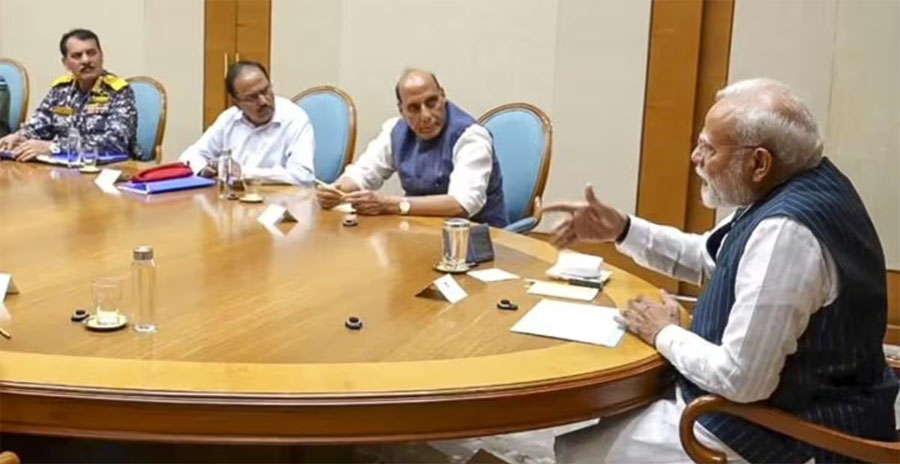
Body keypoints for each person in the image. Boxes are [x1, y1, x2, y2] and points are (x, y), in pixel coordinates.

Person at [547, 78, 898, 463]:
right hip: (774, 404)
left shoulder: (786, 234)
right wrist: (622, 230)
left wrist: (663, 332)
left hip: (793, 433)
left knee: (577, 453)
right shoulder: (797, 184)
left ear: (759, 163)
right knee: (610, 418)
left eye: (708, 148)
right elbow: (710, 256)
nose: (695, 157)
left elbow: (740, 380)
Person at [316, 69, 508, 227]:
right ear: (402, 110)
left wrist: (390, 204)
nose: (425, 115)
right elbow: (363, 173)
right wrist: (336, 190)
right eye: (414, 108)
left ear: (443, 95)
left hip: (478, 240)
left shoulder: (470, 136)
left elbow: (462, 204)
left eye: (431, 102)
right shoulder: (396, 131)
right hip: (421, 231)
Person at [0, 29, 139, 160]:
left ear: (101, 56)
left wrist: (54, 147)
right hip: (64, 167)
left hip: (111, 168)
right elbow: (39, 125)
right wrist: (18, 137)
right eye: (77, 56)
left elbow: (116, 142)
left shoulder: (119, 92)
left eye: (91, 53)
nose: (86, 60)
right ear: (66, 63)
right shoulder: (61, 90)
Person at [179, 61, 314, 185]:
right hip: (232, 199)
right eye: (252, 97)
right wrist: (204, 169)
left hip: (279, 200)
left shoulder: (294, 118)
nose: (263, 101)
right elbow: (189, 156)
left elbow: (303, 176)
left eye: (266, 91)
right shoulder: (229, 119)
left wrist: (243, 173)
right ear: (236, 102)